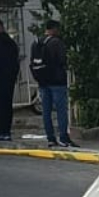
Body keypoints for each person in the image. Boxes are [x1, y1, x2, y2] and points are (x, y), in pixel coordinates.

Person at [33, 20, 76, 148]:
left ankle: (50, 138)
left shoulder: (36, 42)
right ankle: (63, 137)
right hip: (57, 81)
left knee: (46, 111)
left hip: (42, 80)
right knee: (61, 110)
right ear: (54, 29)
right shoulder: (57, 42)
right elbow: (62, 60)